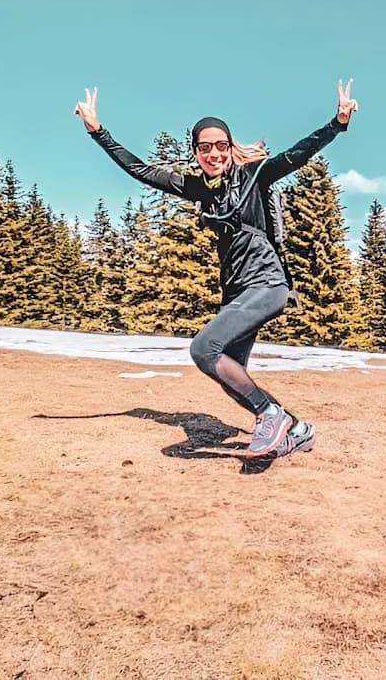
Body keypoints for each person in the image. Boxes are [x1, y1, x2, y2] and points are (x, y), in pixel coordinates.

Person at [73, 80, 359, 458]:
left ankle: (271, 414)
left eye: (221, 145)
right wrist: (98, 132)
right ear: (196, 152)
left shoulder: (255, 174)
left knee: (204, 349)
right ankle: (297, 428)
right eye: (205, 147)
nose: (214, 153)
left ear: (230, 147)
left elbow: (297, 154)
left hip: (267, 283)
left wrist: (337, 123)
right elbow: (140, 170)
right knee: (229, 372)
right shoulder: (197, 188)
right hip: (238, 291)